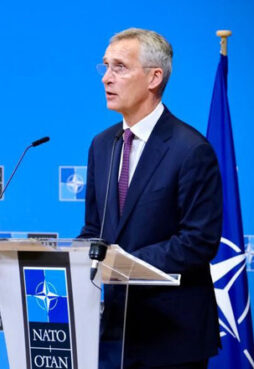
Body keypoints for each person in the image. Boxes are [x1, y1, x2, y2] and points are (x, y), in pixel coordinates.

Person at [79, 28, 222, 369]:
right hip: (115, 334)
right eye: (105, 67)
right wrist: (73, 258)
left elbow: (199, 241)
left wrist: (123, 263)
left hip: (172, 336)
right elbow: (93, 228)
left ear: (154, 78)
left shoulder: (191, 149)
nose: (106, 79)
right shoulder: (102, 145)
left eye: (120, 67)